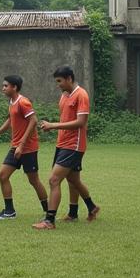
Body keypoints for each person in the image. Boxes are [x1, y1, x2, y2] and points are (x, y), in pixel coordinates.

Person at [33, 66, 100, 230]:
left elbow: (81, 122)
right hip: (62, 144)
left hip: (74, 145)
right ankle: (88, 208)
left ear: (69, 78)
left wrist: (54, 125)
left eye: (60, 81)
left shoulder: (81, 95)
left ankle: (49, 220)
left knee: (54, 180)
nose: (58, 85)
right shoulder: (64, 95)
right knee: (73, 180)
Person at [0, 74, 49, 220]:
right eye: (3, 85)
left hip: (28, 148)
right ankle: (9, 211)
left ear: (14, 87)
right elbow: (10, 120)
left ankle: (49, 212)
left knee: (33, 180)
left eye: (5, 86)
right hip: (15, 147)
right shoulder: (12, 102)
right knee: (3, 176)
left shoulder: (23, 102)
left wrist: (21, 144)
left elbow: (33, 121)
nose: (3, 88)